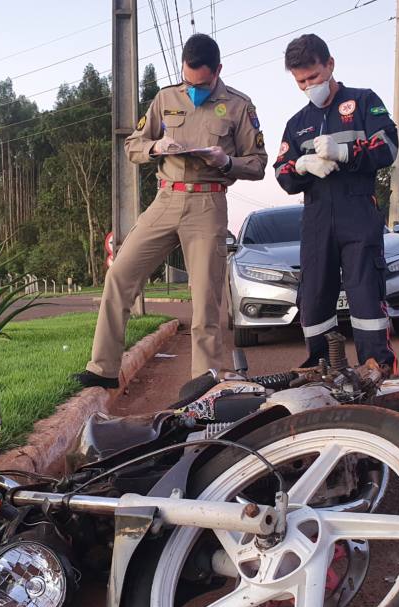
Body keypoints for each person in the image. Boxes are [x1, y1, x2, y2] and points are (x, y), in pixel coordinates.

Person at [73, 33, 267, 389]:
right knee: (120, 274)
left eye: (202, 84)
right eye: (188, 81)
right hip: (165, 200)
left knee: (206, 299)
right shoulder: (165, 98)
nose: (194, 89)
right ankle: (103, 369)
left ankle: (204, 382)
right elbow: (133, 145)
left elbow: (257, 165)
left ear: (218, 71)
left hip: (208, 202)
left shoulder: (239, 106)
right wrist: (156, 146)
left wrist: (226, 162)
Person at [274, 33, 399, 375]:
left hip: (357, 213)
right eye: (300, 81)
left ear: (329, 65)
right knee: (313, 299)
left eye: (313, 77)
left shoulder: (362, 102)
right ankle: (323, 367)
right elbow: (282, 172)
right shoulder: (297, 124)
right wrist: (301, 166)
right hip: (316, 218)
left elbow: (388, 146)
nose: (307, 86)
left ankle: (376, 367)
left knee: (364, 294)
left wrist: (346, 152)